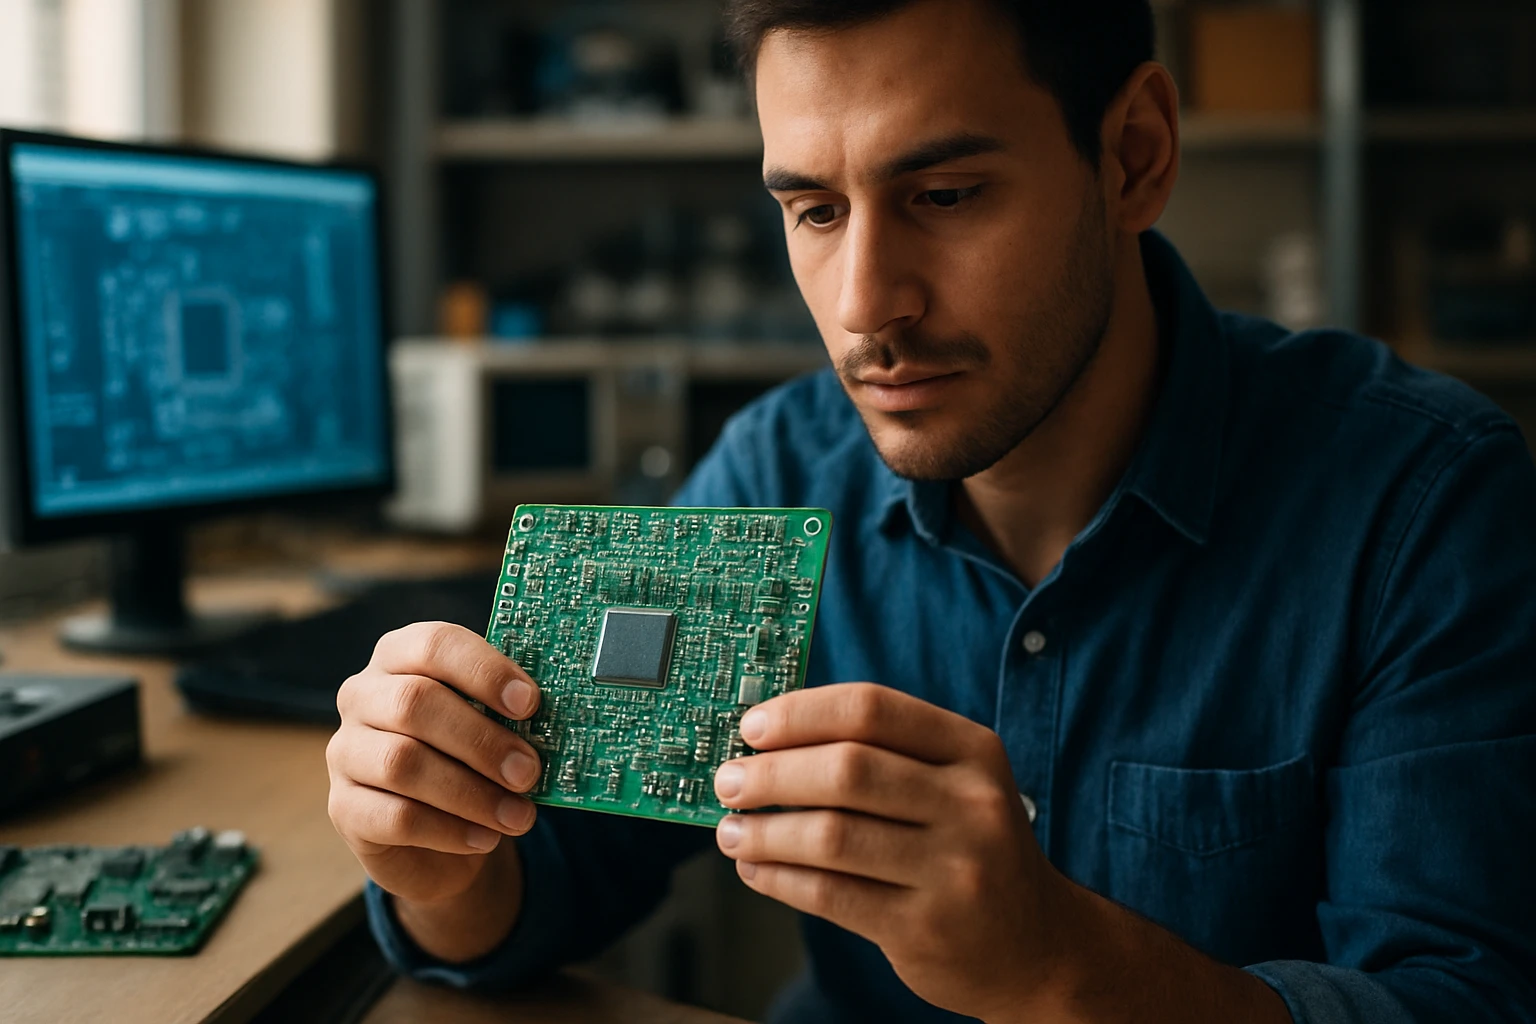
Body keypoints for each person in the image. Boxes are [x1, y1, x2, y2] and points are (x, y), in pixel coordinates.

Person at [326, 1, 1536, 1020]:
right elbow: (554, 873)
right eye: (814, 209)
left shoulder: (1425, 506)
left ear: (1134, 156)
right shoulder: (776, 472)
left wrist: (1062, 967)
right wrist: (437, 844)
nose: (866, 305)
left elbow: (1461, 997)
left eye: (946, 194)